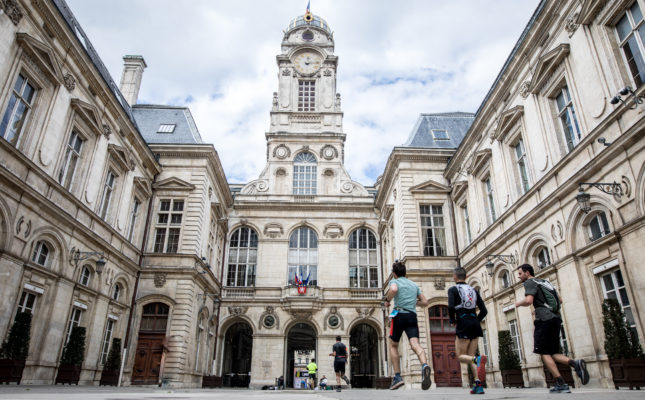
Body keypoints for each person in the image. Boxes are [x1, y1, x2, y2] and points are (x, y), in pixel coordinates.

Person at [514, 264, 590, 393]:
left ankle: (561, 382)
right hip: (555, 319)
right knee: (553, 353)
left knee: (543, 353)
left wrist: (517, 303)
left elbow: (529, 300)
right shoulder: (545, 282)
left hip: (544, 320)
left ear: (527, 273)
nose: (519, 276)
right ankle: (575, 364)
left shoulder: (529, 282)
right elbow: (559, 300)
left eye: (520, 273)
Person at [384, 261, 432, 390]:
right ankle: (424, 365)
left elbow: (393, 290)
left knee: (393, 345)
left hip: (399, 315)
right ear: (405, 272)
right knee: (415, 344)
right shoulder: (413, 285)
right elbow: (425, 302)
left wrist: (388, 300)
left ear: (394, 274)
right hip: (412, 316)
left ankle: (398, 377)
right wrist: (412, 303)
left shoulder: (395, 282)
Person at [447, 267, 488, 395]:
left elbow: (450, 306)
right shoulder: (473, 290)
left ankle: (478, 360)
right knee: (471, 356)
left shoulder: (453, 290)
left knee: (461, 356)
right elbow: (484, 310)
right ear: (466, 276)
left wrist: (452, 320)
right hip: (475, 324)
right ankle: (478, 385)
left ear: (454, 276)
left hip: (463, 323)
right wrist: (476, 319)